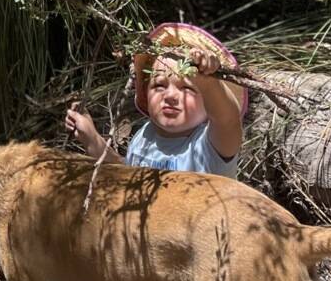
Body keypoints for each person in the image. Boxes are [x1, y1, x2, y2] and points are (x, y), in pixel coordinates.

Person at [65, 22, 246, 176]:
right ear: (146, 91)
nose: (170, 96)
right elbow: (128, 176)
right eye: (159, 85)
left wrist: (208, 81)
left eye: (188, 88)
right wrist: (91, 138)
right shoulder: (145, 135)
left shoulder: (211, 146)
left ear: (209, 101)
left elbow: (227, 120)